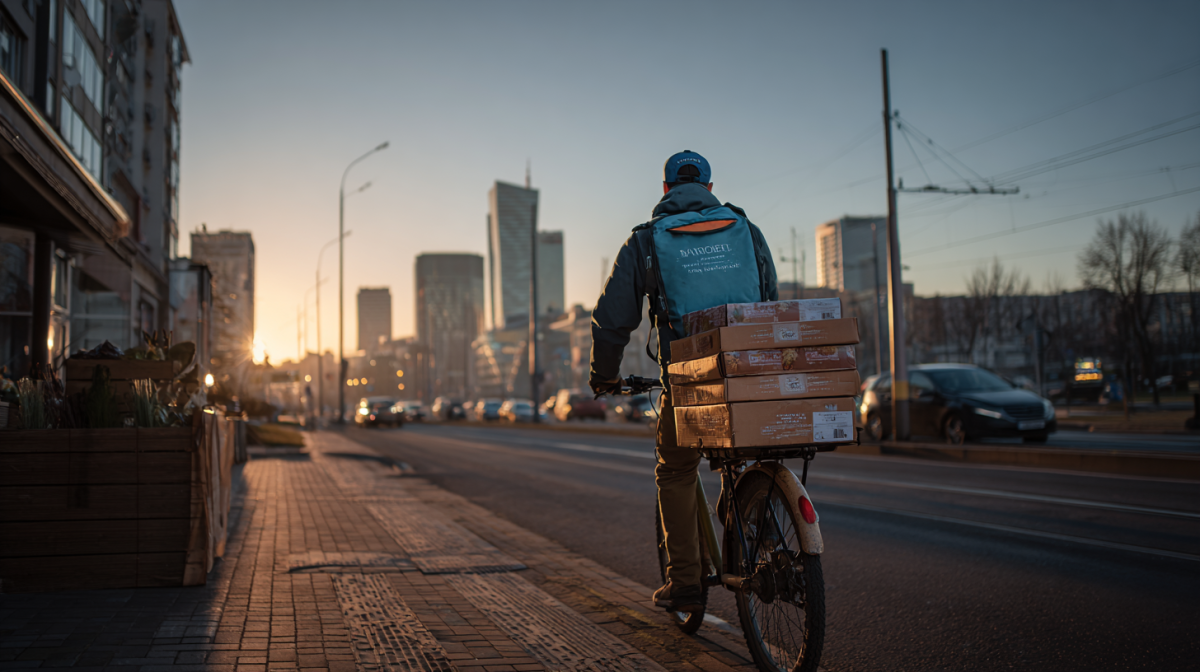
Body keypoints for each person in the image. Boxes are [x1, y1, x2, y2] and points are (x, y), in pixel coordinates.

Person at [589, 151, 778, 612]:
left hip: (691, 380)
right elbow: (771, 301)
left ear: (666, 190)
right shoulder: (747, 231)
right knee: (751, 452)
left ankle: (686, 582)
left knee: (675, 468)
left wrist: (605, 375)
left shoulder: (646, 241)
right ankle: (762, 525)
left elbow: (613, 320)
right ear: (710, 190)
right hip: (753, 376)